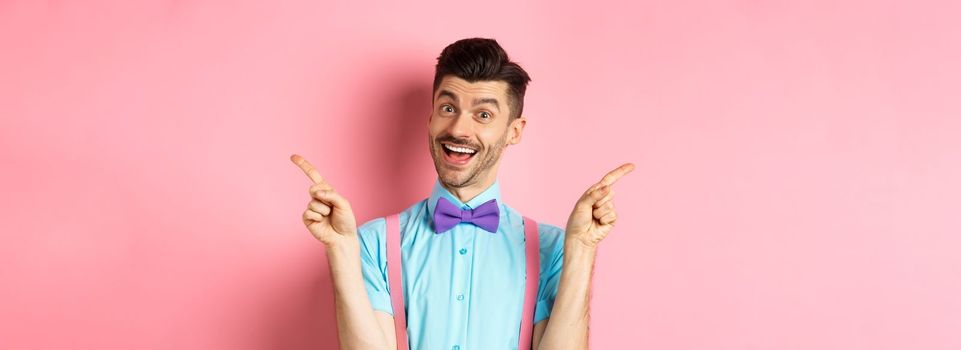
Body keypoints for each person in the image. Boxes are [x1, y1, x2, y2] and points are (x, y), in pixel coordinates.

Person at [291, 38, 633, 350]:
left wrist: (583, 251)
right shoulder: (372, 243)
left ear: (514, 131)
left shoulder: (552, 249)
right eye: (448, 108)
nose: (458, 129)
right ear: (430, 118)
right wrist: (339, 250)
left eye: (483, 114)